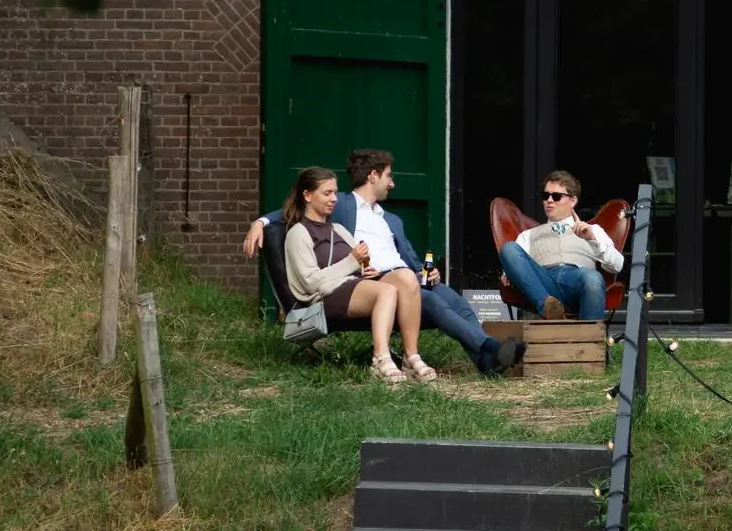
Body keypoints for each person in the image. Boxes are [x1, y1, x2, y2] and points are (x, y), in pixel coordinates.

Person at [244, 148, 525, 378]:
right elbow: (297, 206)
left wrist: (428, 273)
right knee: (433, 302)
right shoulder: (342, 204)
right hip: (374, 280)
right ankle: (488, 348)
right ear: (373, 175)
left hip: (407, 277)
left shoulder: (392, 220)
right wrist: (261, 221)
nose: (392, 183)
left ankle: (487, 362)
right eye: (388, 176)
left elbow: (412, 261)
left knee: (454, 299)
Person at [282, 166, 432, 383]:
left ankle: (411, 356)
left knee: (406, 277)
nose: (334, 198)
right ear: (307, 195)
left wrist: (364, 268)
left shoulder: (339, 230)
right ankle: (380, 359)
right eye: (327, 193)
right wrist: (351, 262)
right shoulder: (298, 233)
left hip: (355, 286)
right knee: (387, 291)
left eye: (335, 192)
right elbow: (309, 283)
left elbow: (357, 267)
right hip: (323, 298)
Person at [500, 170, 624, 320]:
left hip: (578, 280)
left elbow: (617, 265)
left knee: (592, 277)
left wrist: (592, 239)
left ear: (573, 201)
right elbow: (515, 262)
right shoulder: (528, 234)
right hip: (543, 282)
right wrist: (508, 272)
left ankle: (589, 340)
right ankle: (548, 308)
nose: (549, 200)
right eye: (546, 196)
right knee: (508, 248)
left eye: (556, 196)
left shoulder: (593, 230)